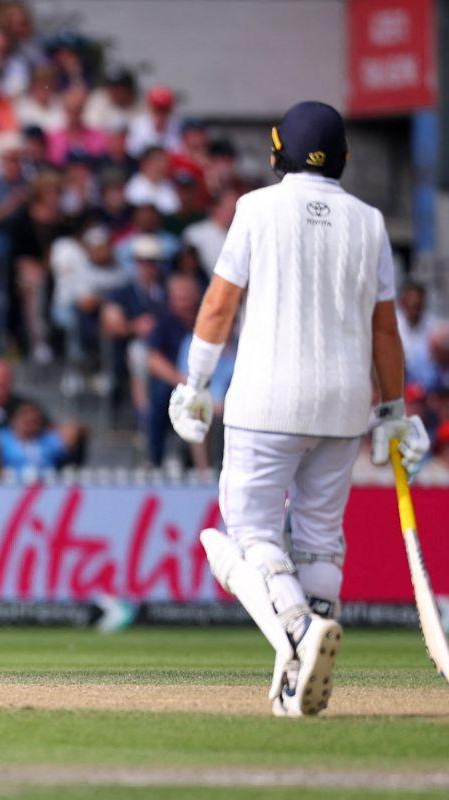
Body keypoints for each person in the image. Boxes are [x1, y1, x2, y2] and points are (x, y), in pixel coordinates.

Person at [167, 102, 429, 717]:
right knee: (317, 542)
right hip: (343, 404)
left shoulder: (256, 209)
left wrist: (195, 383)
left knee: (249, 535)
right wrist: (392, 410)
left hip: (266, 397)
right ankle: (297, 677)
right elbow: (385, 331)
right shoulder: (369, 221)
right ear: (342, 157)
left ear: (277, 152)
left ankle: (298, 630)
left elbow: (218, 305)